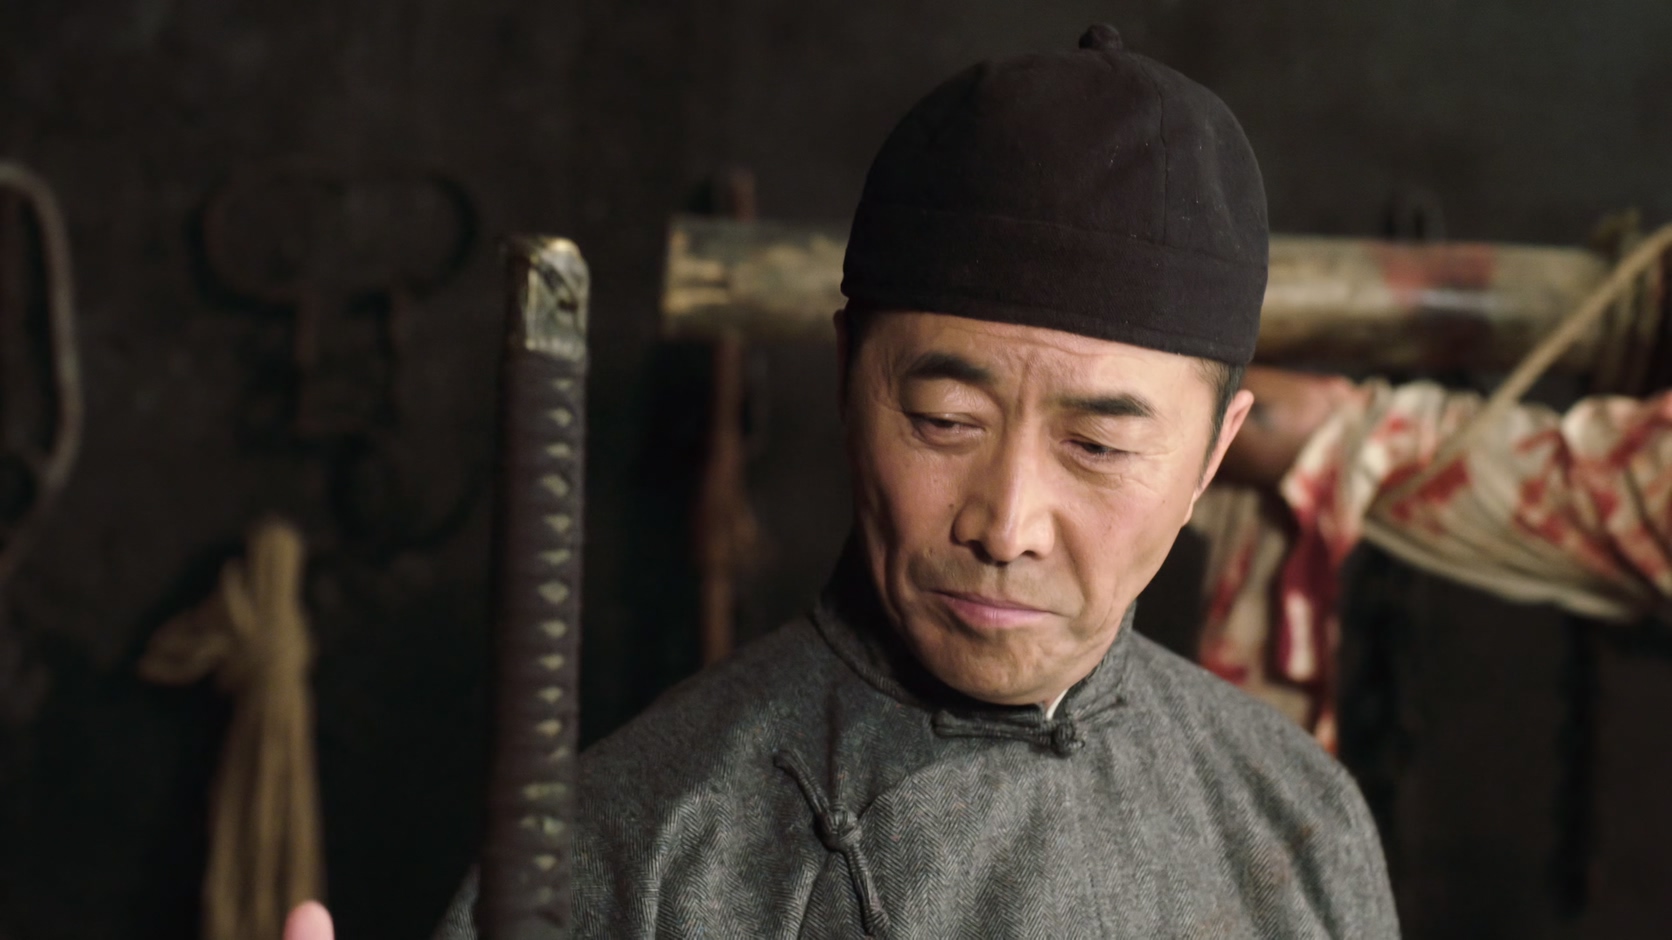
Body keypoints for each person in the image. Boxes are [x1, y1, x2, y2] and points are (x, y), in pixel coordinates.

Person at [288, 24, 1399, 939]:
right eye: (945, 420)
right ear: (845, 381)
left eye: (1098, 448)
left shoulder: (1296, 821)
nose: (1005, 523)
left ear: (1213, 455)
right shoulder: (634, 850)